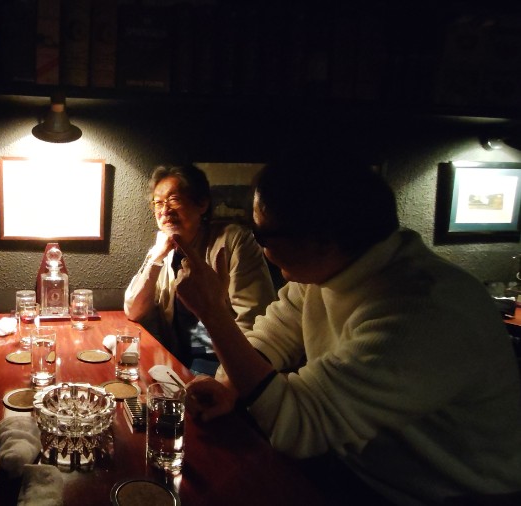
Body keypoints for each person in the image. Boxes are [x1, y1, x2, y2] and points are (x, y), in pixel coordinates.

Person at [178, 159, 521, 504]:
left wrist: (213, 313)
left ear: (322, 241)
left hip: (443, 493)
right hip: (357, 463)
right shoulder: (326, 269)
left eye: (262, 235)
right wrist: (229, 385)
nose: (262, 249)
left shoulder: (426, 311)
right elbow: (273, 336)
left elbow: (298, 425)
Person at [123, 164, 276, 375]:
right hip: (178, 361)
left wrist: (230, 379)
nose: (164, 211)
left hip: (223, 364)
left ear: (202, 204)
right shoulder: (163, 249)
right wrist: (156, 258)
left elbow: (254, 320)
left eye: (174, 200)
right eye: (158, 203)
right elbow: (134, 309)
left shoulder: (233, 241)